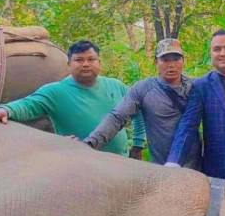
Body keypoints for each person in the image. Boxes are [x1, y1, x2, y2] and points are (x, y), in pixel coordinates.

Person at [0, 39, 145, 157]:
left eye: (91, 59)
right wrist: (5, 110)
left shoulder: (117, 86)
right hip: (82, 163)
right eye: (79, 60)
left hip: (122, 163)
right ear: (69, 65)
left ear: (99, 63)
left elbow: (139, 111)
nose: (85, 64)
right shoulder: (56, 91)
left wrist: (138, 143)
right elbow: (28, 105)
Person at [84, 38, 197, 168]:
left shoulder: (196, 86)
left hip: (197, 166)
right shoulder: (143, 89)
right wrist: (91, 143)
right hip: (162, 167)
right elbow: (117, 117)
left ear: (183, 61)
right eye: (165, 60)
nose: (171, 65)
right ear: (156, 62)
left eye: (176, 59)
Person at [166, 29, 225, 180]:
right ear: (211, 54)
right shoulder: (201, 85)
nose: (223, 53)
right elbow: (188, 125)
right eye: (217, 49)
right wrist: (174, 161)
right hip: (218, 168)